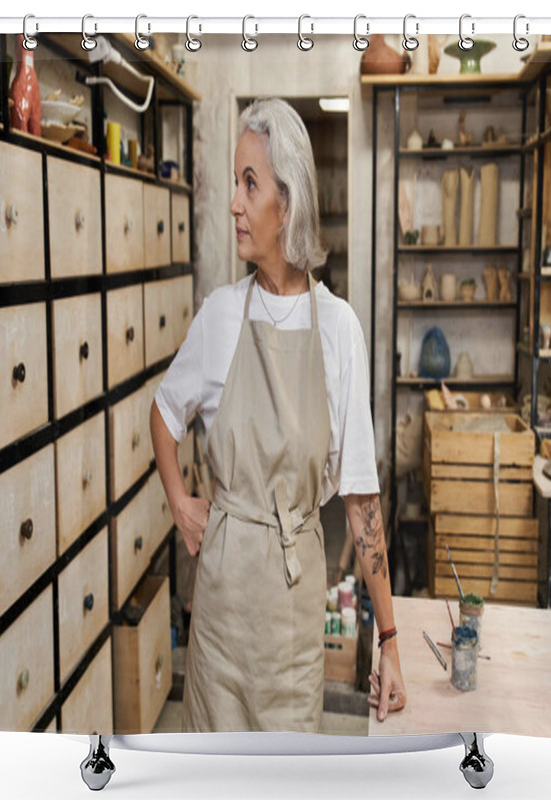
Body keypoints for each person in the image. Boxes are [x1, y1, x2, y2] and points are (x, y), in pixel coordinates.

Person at [150, 97, 406, 734]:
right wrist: (181, 501)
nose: (234, 203)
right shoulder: (220, 315)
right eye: (235, 183)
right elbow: (162, 411)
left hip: (292, 627)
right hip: (218, 621)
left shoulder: (340, 329)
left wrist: (391, 641)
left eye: (250, 184)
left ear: (287, 203)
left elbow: (361, 504)